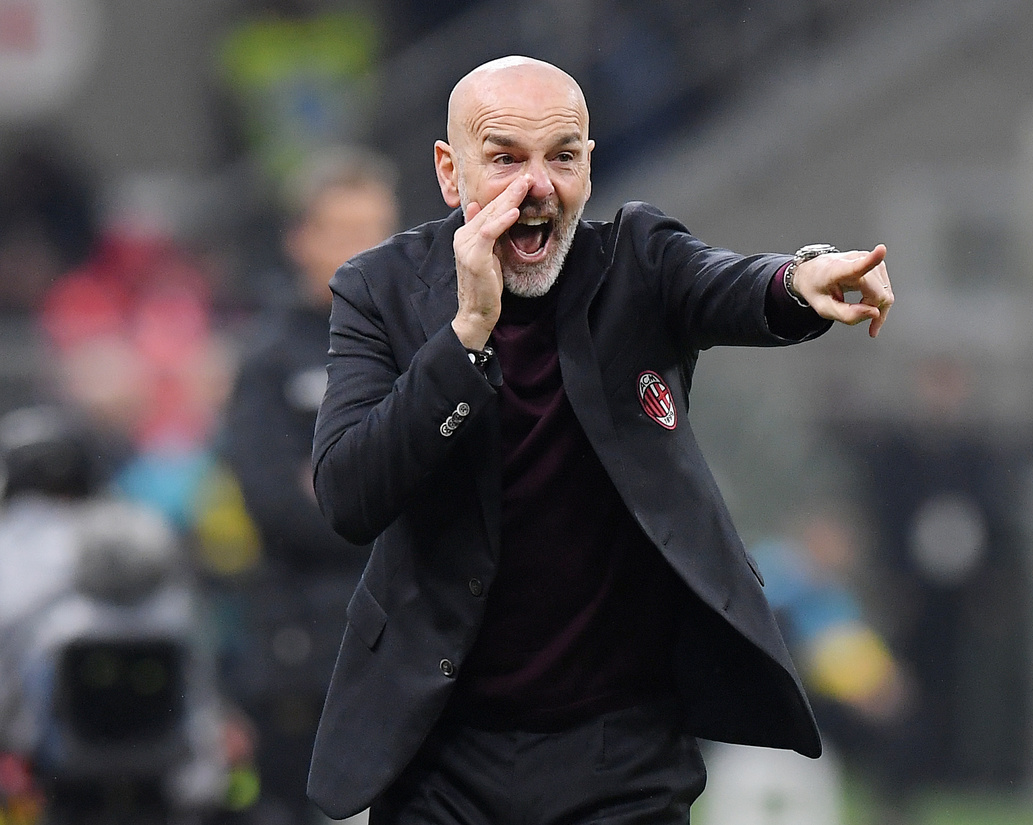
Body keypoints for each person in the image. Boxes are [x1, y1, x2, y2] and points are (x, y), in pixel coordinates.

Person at [306, 56, 894, 824]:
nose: (538, 186)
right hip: (442, 753)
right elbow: (349, 494)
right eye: (506, 158)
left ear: (588, 166)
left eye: (562, 156)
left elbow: (732, 283)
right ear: (451, 173)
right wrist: (465, 339)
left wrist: (801, 279)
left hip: (622, 752)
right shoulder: (378, 288)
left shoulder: (637, 261)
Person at [221, 147, 400, 824]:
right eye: (344, 230)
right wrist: (396, 491)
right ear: (300, 239)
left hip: (418, 637)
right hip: (310, 651)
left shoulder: (430, 347)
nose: (365, 249)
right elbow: (274, 503)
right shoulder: (270, 361)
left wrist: (341, 479)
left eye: (376, 230)